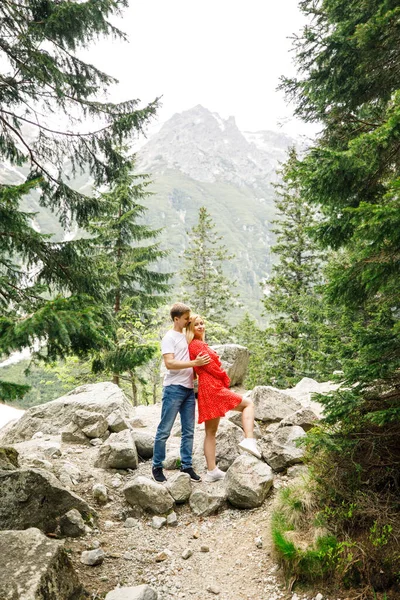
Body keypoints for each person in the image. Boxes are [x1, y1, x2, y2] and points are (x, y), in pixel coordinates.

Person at [186, 314, 261, 483]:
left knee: (210, 432)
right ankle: (249, 440)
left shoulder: (194, 345)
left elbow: (197, 370)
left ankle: (212, 470)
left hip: (207, 387)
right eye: (196, 325)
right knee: (248, 404)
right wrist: (225, 378)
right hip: (213, 387)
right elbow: (212, 367)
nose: (200, 326)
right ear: (190, 329)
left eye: (202, 323)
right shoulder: (196, 345)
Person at [152, 303, 211, 483]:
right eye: (186, 318)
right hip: (173, 388)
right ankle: (157, 466)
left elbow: (196, 344)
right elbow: (169, 363)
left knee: (188, 431)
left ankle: (187, 466)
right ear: (176, 319)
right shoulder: (169, 337)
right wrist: (195, 364)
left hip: (188, 389)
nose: (188, 320)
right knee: (164, 430)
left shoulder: (185, 336)